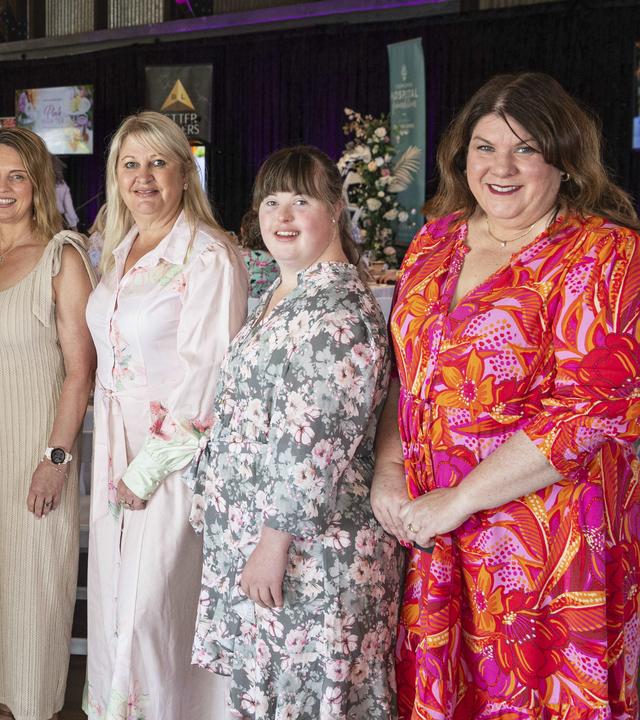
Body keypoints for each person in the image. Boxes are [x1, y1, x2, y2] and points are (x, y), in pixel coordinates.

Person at [372, 72, 640, 717]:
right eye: (485, 147)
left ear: (564, 162)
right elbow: (406, 373)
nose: (501, 167)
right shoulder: (436, 241)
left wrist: (459, 501)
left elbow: (588, 413)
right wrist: (387, 474)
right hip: (434, 530)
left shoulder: (604, 255)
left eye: (525, 149)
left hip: (547, 541)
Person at [187, 146, 402, 718]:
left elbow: (314, 442)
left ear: (335, 208)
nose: (281, 215)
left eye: (300, 201)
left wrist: (272, 543)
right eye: (271, 201)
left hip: (311, 555)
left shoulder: (335, 309)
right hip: (271, 544)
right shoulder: (284, 294)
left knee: (310, 702)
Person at [82, 110, 247, 720]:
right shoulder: (119, 251)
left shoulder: (209, 256)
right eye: (131, 165)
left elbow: (211, 375)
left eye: (158, 163)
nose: (143, 177)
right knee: (117, 609)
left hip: (175, 464)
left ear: (185, 173)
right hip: (114, 455)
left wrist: (148, 469)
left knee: (154, 613)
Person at [0, 127, 95, 720]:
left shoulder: (63, 257)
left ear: (38, 183)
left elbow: (80, 372)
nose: (2, 187)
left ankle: (32, 710)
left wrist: (56, 459)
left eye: (17, 175)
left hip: (37, 453)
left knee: (35, 594)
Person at [237, 207, 280, 310]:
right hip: (269, 308)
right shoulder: (279, 260)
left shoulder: (237, 256)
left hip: (240, 307)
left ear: (242, 231)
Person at [53, 156, 79, 230]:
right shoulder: (62, 185)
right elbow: (69, 208)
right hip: (57, 221)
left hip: (39, 220)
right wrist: (75, 228)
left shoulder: (38, 183)